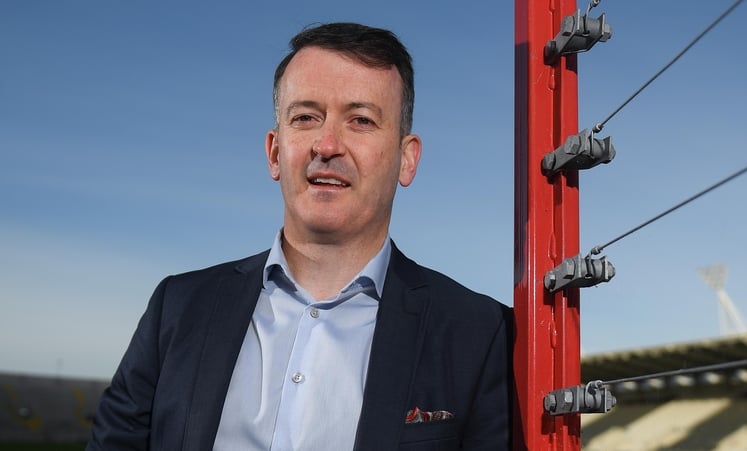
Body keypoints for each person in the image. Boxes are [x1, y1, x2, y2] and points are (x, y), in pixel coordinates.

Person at [88, 22, 512, 451]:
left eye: (360, 120)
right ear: (275, 151)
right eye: (306, 117)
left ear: (406, 159)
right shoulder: (176, 308)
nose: (327, 145)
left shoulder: (477, 332)